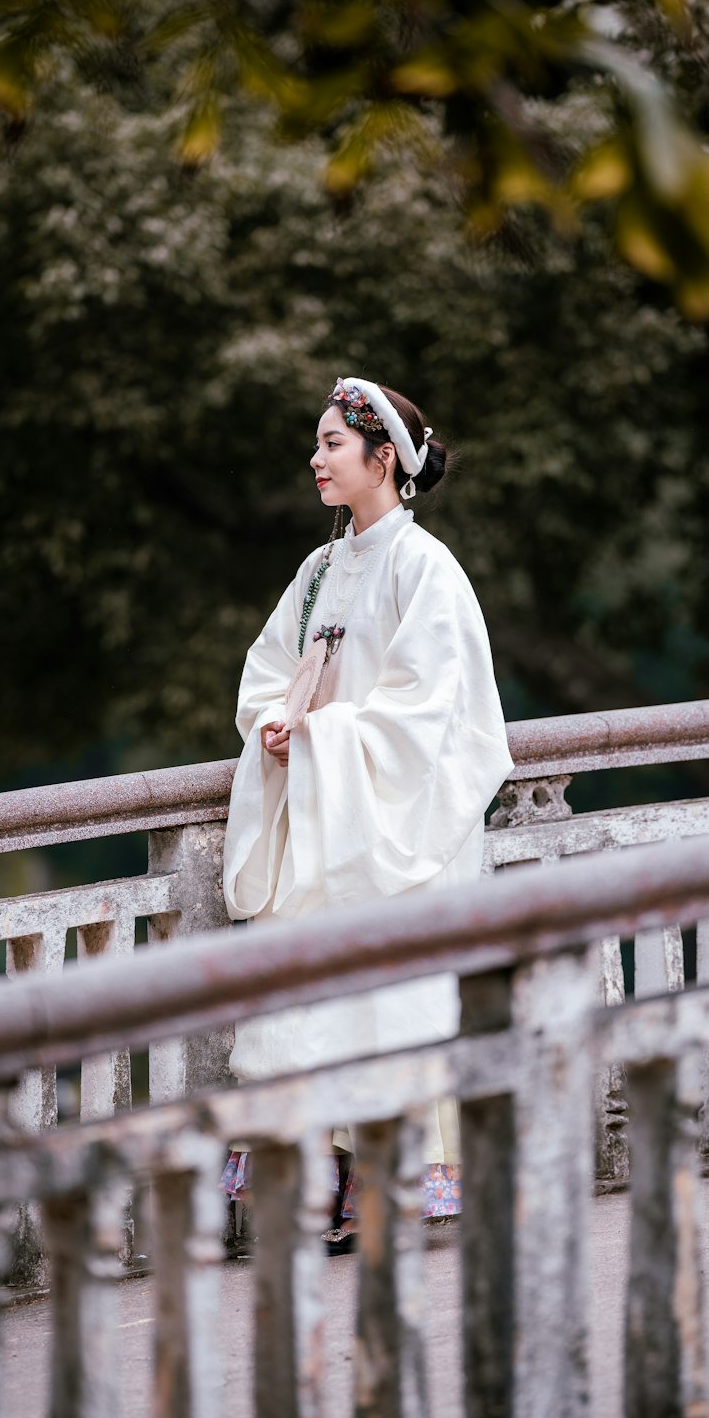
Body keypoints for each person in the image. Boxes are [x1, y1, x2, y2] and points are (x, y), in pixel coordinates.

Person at [220, 375, 513, 1249]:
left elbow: (432, 708)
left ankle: (381, 1180)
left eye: (331, 445)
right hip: (318, 821)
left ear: (383, 458)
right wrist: (279, 728)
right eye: (316, 445)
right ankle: (320, 1175)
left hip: (395, 828)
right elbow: (266, 674)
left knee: (386, 997)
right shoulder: (316, 572)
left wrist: (323, 739)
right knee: (303, 995)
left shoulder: (428, 570)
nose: (315, 459)